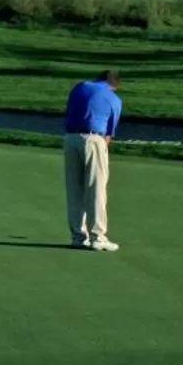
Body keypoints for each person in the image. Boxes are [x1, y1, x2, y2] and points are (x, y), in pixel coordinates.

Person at [62, 71, 123, 251]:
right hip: (94, 139)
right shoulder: (114, 99)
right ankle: (98, 237)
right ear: (114, 85)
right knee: (96, 188)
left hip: (70, 139)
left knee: (74, 189)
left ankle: (78, 237)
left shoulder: (79, 87)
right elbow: (108, 135)